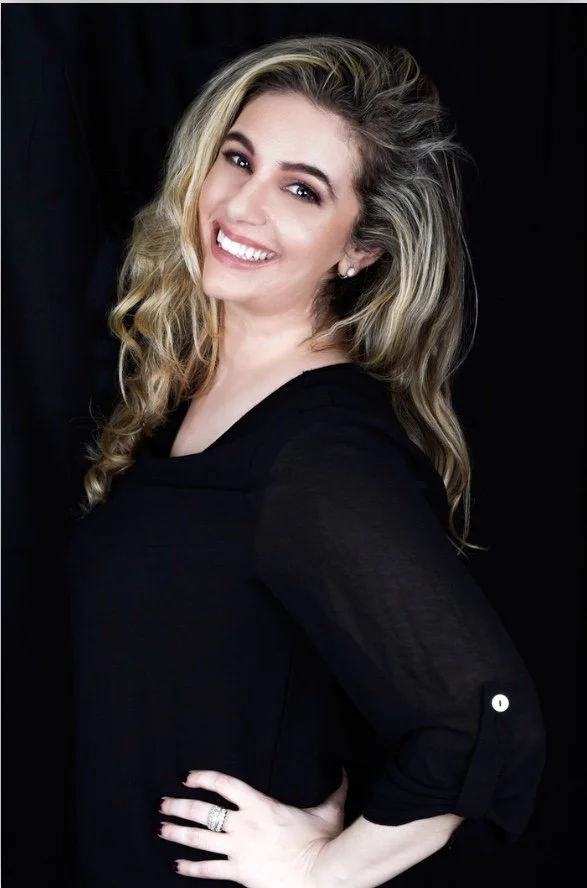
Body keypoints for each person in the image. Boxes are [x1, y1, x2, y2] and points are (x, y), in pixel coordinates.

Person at [65, 35, 546, 887]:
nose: (240, 206)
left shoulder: (320, 453)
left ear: (358, 249)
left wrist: (322, 871)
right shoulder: (194, 399)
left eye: (299, 189)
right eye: (237, 159)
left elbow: (482, 718)